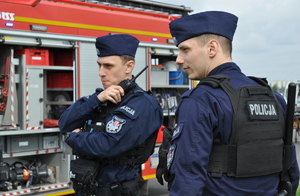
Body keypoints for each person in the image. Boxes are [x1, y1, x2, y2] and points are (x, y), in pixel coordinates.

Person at [160, 11, 300, 195]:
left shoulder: (201, 100)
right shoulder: (274, 98)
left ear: (212, 48)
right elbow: (291, 173)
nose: (178, 59)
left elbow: (188, 181)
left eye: (185, 49)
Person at [59, 34, 163, 196]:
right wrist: (96, 99)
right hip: (88, 188)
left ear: (129, 67)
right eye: (99, 65)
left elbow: (109, 145)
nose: (101, 72)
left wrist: (73, 138)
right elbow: (65, 123)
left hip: (116, 189)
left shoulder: (142, 104)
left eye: (108, 66)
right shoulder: (101, 98)